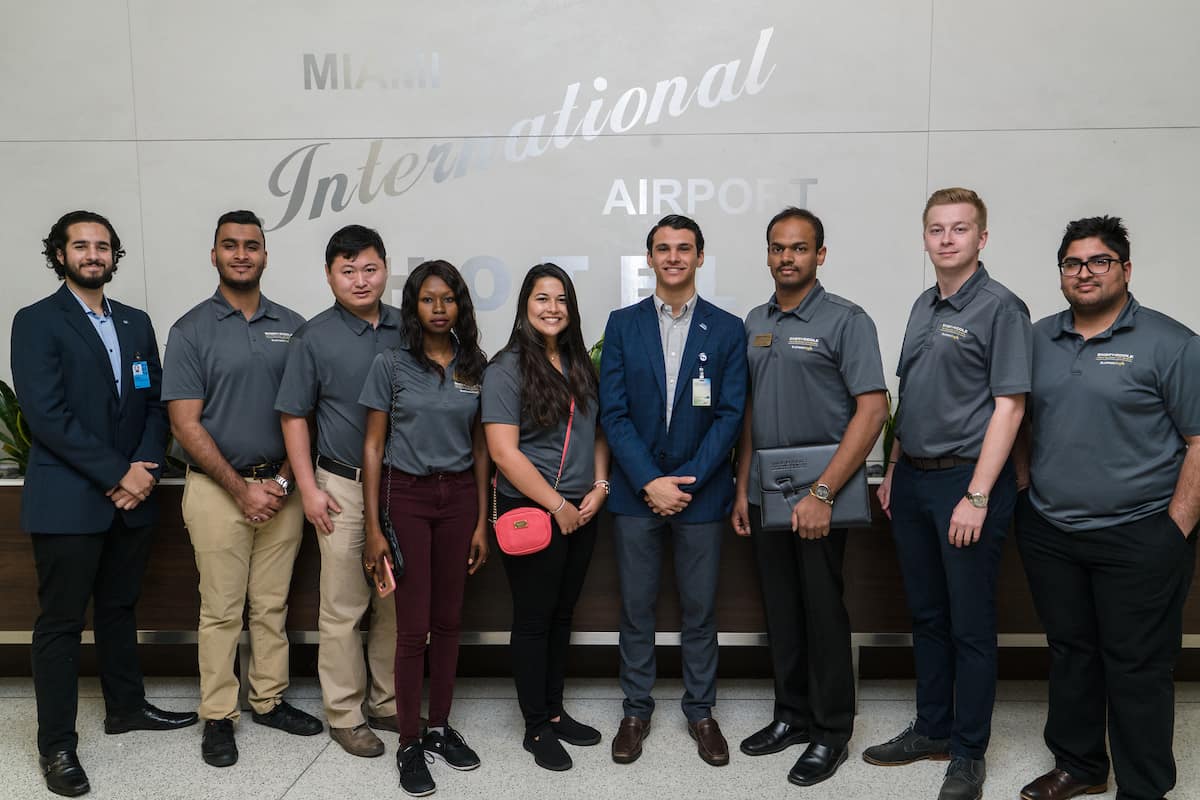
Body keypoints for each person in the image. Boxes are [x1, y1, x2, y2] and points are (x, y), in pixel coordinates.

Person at [11, 210, 197, 797]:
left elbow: (153, 404)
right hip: (69, 499)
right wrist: (119, 473)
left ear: (115, 256)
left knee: (119, 609)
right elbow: (46, 416)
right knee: (62, 624)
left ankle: (126, 707)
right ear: (59, 254)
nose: (94, 255)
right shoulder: (37, 322)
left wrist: (140, 471)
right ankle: (57, 746)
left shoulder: (137, 323)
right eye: (81, 246)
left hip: (131, 497)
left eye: (103, 247)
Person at [1014, 216, 1200, 800]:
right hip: (1052, 529)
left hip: (1142, 533)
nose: (1084, 272)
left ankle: (1143, 788)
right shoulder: (1037, 338)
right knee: (1071, 653)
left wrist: (1176, 529)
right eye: (1073, 263)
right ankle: (1081, 765)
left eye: (1099, 261)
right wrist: (1025, 495)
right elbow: (1017, 419)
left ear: (1125, 269)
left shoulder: (1172, 343)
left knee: (1138, 665)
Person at [866, 188, 1031, 800]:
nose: (947, 239)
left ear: (981, 238)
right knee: (927, 615)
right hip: (913, 481)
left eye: (960, 229)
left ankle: (968, 752)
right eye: (937, 229)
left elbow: (1010, 406)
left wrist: (980, 494)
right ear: (926, 237)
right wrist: (896, 469)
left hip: (968, 483)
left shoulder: (1001, 308)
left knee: (970, 624)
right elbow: (914, 394)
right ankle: (931, 728)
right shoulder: (921, 305)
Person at [732, 207, 888, 785]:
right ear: (767, 254)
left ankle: (830, 732)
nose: (786, 258)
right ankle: (792, 716)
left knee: (823, 613)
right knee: (782, 611)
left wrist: (823, 492)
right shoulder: (754, 321)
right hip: (768, 494)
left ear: (820, 255)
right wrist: (744, 488)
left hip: (823, 494)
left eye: (799, 248)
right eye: (777, 248)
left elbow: (873, 409)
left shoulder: (847, 320)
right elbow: (749, 413)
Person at [162, 210, 318, 768]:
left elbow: (309, 411)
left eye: (252, 245)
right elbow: (185, 424)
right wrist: (240, 489)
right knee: (222, 610)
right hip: (215, 491)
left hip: (282, 490)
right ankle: (218, 715)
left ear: (265, 255)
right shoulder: (190, 330)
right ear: (214, 255)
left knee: (271, 606)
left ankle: (269, 699)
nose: (242, 254)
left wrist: (277, 482)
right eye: (230, 246)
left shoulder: (295, 326)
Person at [599, 214, 747, 767]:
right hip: (637, 495)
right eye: (663, 249)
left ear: (700, 258)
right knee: (636, 608)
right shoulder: (621, 324)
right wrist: (649, 481)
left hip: (701, 494)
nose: (674, 257)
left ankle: (701, 712)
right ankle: (635, 711)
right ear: (650, 259)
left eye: (684, 248)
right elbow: (613, 414)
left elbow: (730, 416)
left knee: (700, 610)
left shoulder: (727, 328)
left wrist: (684, 482)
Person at [360, 260, 491, 796]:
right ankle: (409, 742)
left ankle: (439, 729)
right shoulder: (390, 365)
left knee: (451, 620)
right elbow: (371, 446)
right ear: (413, 306)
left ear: (461, 304)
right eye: (428, 300)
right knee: (413, 627)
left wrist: (483, 519)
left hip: (460, 497)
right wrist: (372, 527)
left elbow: (482, 448)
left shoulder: (474, 365)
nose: (439, 309)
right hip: (407, 496)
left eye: (449, 299)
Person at [276, 225, 403, 757]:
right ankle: (345, 713)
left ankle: (387, 700)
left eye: (369, 268)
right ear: (329, 275)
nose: (359, 279)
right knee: (344, 605)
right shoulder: (313, 337)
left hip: (402, 486)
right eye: (347, 270)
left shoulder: (408, 327)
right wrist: (307, 488)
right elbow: (293, 416)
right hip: (342, 486)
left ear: (385, 269)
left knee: (395, 601)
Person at [482, 263, 610, 772]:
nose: (552, 308)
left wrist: (599, 487)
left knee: (562, 615)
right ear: (524, 306)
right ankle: (535, 727)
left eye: (561, 300)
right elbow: (503, 452)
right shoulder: (505, 368)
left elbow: (598, 433)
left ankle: (554, 712)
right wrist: (556, 506)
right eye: (541, 298)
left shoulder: (580, 363)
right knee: (534, 620)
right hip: (531, 512)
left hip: (582, 509)